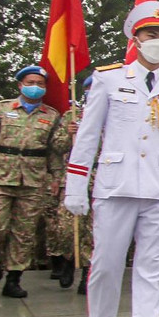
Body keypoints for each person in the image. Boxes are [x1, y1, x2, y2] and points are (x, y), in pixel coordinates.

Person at [64, 2, 159, 317]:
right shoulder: (108, 79)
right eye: (151, 34)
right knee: (106, 265)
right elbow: (88, 136)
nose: (158, 41)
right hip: (116, 185)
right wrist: (76, 186)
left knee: (152, 270)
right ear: (135, 39)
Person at [0, 66, 65, 298]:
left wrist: (57, 177)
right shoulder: (1, 109)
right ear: (20, 85)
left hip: (33, 181)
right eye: (30, 82)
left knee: (24, 233)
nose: (35, 87)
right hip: (0, 177)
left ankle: (14, 278)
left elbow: (54, 151)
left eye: (40, 83)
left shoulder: (51, 115)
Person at [46, 76, 92, 291]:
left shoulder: (116, 115)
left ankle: (87, 273)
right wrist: (68, 133)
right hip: (73, 178)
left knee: (93, 231)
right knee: (66, 228)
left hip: (101, 179)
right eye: (90, 89)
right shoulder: (71, 116)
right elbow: (56, 146)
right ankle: (67, 260)